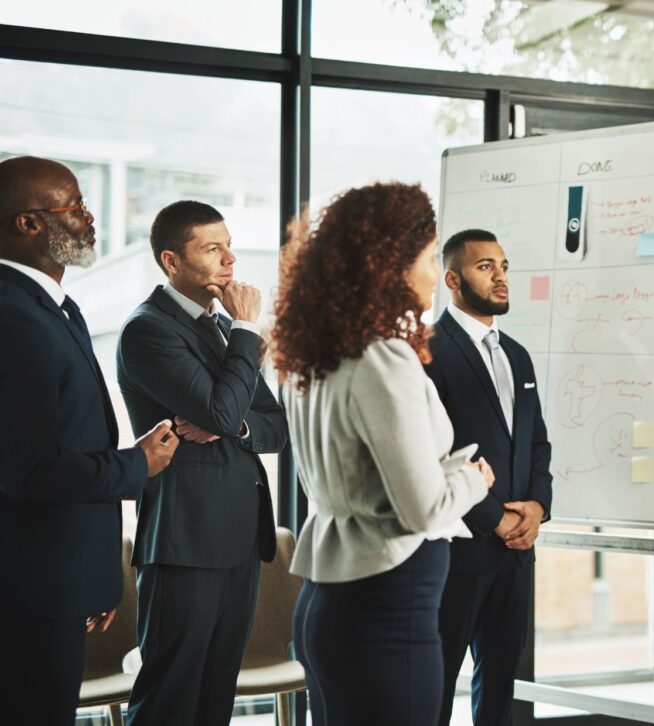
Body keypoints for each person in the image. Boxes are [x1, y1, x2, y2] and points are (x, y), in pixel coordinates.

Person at [273, 182, 492, 726]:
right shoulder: (382, 358)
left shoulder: (310, 361)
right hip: (387, 609)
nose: (431, 277)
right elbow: (421, 509)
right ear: (389, 262)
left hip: (329, 603)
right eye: (426, 255)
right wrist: (472, 480)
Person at [0, 156, 178, 726]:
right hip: (28, 595)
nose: (89, 217)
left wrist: (91, 579)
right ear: (28, 224)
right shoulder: (13, 317)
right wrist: (138, 464)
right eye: (74, 207)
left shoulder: (52, 308)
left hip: (55, 584)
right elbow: (30, 471)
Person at [117, 201, 289, 725]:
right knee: (169, 700)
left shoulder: (219, 330)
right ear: (171, 261)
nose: (230, 259)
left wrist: (232, 425)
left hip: (237, 539)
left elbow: (273, 427)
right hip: (185, 540)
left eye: (228, 245)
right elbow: (221, 406)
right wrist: (245, 330)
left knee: (215, 698)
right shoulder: (148, 330)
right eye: (212, 249)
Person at [427, 229, 553, 726]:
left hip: (517, 552)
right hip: (459, 549)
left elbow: (536, 442)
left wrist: (538, 509)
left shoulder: (516, 354)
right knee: (434, 688)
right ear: (453, 279)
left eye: (503, 265)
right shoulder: (428, 351)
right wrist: (494, 518)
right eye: (485, 267)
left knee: (500, 689)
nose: (500, 276)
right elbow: (433, 455)